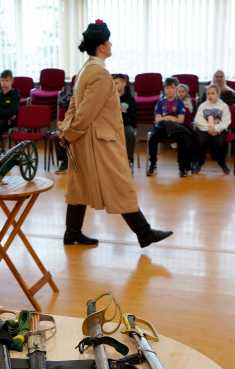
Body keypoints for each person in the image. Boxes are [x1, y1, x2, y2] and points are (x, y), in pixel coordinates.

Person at [58, 19, 172, 248]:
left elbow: (74, 107)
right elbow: (85, 113)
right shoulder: (100, 73)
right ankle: (144, 232)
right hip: (98, 140)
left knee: (79, 185)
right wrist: (69, 134)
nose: (111, 45)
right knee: (120, 184)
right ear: (102, 46)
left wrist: (67, 131)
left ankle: (72, 233)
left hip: (86, 139)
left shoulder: (85, 70)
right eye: (109, 42)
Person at [146, 76, 193, 177]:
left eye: (172, 87)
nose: (169, 90)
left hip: (175, 129)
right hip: (163, 129)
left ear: (176, 89)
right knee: (152, 138)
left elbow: (180, 120)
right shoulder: (160, 102)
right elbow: (157, 119)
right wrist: (171, 118)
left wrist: (167, 118)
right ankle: (153, 165)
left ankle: (182, 167)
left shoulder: (180, 103)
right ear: (164, 89)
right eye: (167, 88)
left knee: (183, 139)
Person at [193, 84, 231, 174]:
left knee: (221, 142)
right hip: (205, 129)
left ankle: (221, 162)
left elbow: (226, 121)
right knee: (202, 141)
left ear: (218, 94)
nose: (210, 96)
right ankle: (200, 162)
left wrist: (215, 129)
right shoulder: (202, 106)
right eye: (208, 93)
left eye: (212, 93)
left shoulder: (224, 106)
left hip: (219, 130)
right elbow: (198, 120)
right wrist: (209, 128)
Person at [113, 73, 137, 170]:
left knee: (129, 133)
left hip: (125, 125)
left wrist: (120, 122)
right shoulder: (109, 98)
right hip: (112, 125)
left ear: (124, 84)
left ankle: (128, 161)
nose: (114, 85)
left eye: (116, 83)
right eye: (113, 83)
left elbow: (132, 119)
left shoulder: (130, 99)